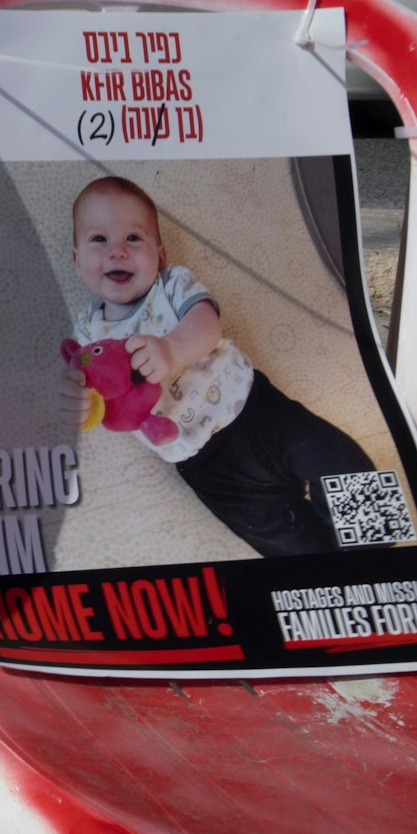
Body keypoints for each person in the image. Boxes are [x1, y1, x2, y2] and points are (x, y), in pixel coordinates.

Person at [64, 177, 377, 557]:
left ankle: (379, 557)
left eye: (133, 238)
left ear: (160, 256)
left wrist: (172, 349)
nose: (117, 252)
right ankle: (334, 580)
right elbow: (83, 390)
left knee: (349, 468)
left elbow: (206, 322)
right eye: (99, 240)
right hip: (206, 464)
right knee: (287, 542)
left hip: (258, 411)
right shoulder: (86, 335)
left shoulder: (170, 285)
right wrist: (78, 405)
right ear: (77, 260)